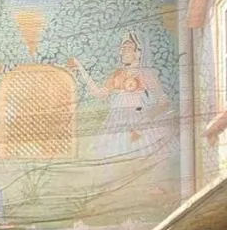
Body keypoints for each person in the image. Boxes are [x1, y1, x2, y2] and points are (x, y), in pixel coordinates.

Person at [67, 31, 171, 161]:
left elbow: (164, 102)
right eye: (122, 48)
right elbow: (99, 94)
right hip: (118, 121)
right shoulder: (117, 74)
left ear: (138, 52)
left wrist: (148, 116)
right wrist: (81, 68)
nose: (122, 52)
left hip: (141, 121)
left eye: (127, 48)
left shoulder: (145, 74)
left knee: (144, 153)